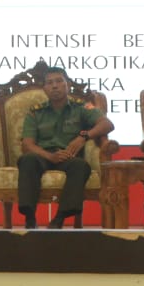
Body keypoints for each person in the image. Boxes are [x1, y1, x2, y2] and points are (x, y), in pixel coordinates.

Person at [17, 66, 114, 229]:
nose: (54, 86)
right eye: (49, 83)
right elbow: (27, 144)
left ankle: (59, 218)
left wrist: (84, 137)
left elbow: (107, 124)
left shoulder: (81, 107)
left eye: (59, 81)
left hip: (69, 156)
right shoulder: (36, 112)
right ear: (44, 88)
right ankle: (30, 217)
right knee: (27, 160)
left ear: (67, 84)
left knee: (81, 166)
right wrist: (50, 156)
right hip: (43, 156)